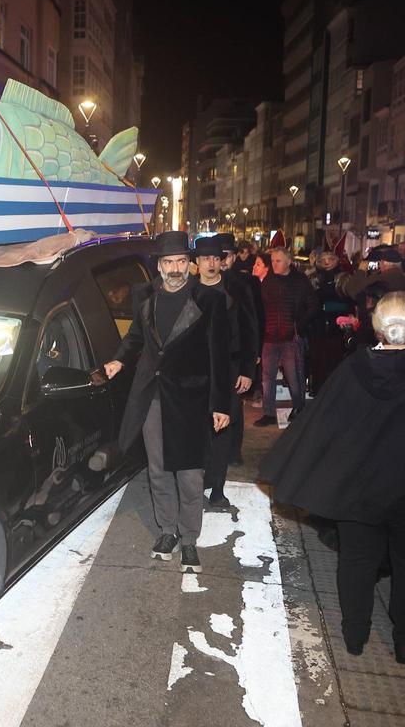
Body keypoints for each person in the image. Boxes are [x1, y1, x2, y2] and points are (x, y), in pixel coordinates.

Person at [261, 292, 405, 664]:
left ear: (375, 326)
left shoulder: (355, 367)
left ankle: (354, 633)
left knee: (357, 560)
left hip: (361, 488)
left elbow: (324, 423)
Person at [103, 231, 231, 574]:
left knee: (189, 473)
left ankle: (189, 538)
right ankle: (168, 530)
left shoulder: (209, 300)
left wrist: (221, 404)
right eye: (167, 262)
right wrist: (119, 360)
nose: (174, 268)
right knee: (158, 469)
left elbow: (220, 356)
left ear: (189, 264)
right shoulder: (144, 296)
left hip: (190, 397)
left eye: (179, 261)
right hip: (152, 394)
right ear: (158, 266)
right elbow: (135, 337)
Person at [193, 236, 257, 511]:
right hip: (195, 370)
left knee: (223, 428)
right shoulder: (188, 291)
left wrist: (247, 370)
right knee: (197, 428)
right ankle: (198, 482)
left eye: (216, 259)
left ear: (222, 261)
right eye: (206, 259)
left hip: (229, 368)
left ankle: (217, 488)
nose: (211, 263)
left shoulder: (237, 288)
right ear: (196, 263)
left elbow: (250, 329)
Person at [254, 247, 318, 426]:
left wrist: (298, 324)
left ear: (289, 261)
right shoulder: (269, 281)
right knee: (267, 378)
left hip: (290, 337)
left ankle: (299, 407)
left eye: (278, 261)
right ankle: (269, 413)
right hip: (270, 336)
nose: (274, 264)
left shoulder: (300, 281)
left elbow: (313, 305)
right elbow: (262, 307)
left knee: (294, 376)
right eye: (273, 261)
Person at [308, 249, 353, 394]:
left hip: (338, 325)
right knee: (317, 360)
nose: (327, 263)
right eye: (323, 260)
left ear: (336, 260)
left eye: (330, 259)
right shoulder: (313, 277)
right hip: (317, 325)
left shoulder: (344, 278)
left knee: (335, 360)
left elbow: (348, 300)